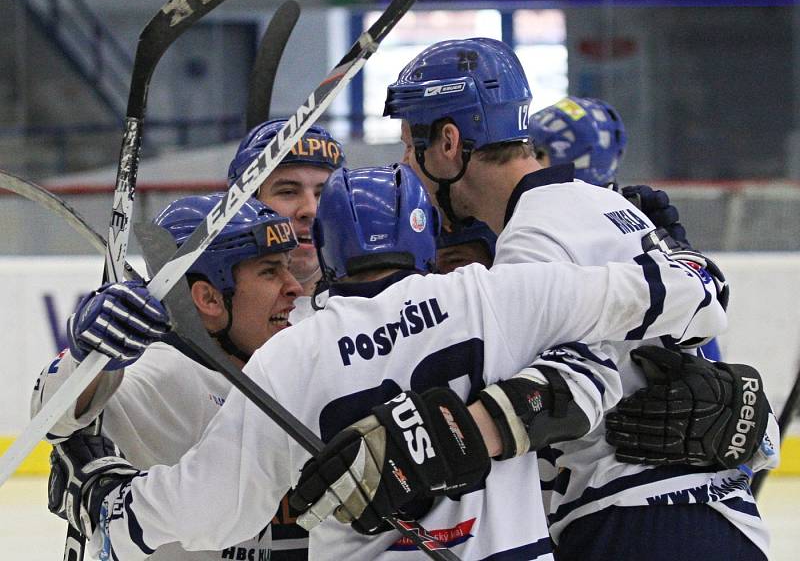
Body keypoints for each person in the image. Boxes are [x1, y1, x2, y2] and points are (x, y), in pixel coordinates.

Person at [46, 163, 726, 561]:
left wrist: (106, 501)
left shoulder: (293, 357)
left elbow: (199, 512)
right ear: (427, 241)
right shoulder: (501, 297)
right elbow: (693, 292)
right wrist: (665, 249)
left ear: (328, 253)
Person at [383, 37, 775, 560]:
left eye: (412, 146)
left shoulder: (533, 236)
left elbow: (558, 391)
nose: (407, 165)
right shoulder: (605, 204)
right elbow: (701, 311)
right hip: (721, 516)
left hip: (634, 525)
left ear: (449, 142)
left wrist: (411, 451)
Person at [33, 194, 307, 561]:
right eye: (270, 271)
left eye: (287, 268)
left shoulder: (293, 365)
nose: (295, 288)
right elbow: (55, 415)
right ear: (208, 298)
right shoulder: (165, 373)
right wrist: (87, 360)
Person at [528, 95, 723, 359]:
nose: (525, 164)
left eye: (537, 153)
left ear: (577, 162)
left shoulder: (620, 233)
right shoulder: (536, 219)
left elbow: (704, 343)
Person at [228, 119, 345, 319]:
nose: (311, 210)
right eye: (288, 192)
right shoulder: (212, 309)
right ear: (244, 203)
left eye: (323, 193)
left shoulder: (370, 306)